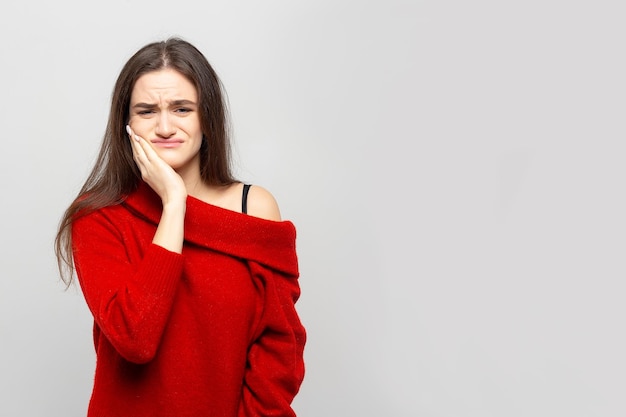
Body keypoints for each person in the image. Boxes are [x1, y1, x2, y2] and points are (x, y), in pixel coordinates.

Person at [54, 37, 306, 417]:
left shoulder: (253, 208)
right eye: (146, 111)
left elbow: (280, 348)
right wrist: (174, 204)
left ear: (207, 117)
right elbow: (135, 337)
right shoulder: (98, 216)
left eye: (182, 108)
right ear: (126, 124)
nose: (165, 126)